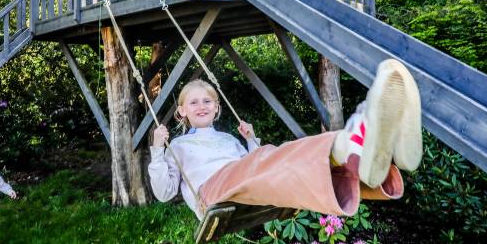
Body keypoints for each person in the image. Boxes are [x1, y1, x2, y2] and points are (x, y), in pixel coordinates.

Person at [148, 58, 422, 221]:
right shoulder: (179, 146)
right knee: (267, 158)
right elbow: (164, 192)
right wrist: (158, 151)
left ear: (217, 107)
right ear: (182, 111)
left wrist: (251, 141)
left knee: (276, 157)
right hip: (211, 192)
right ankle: (349, 142)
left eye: (207, 101)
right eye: (193, 102)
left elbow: (255, 169)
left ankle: (368, 163)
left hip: (240, 183)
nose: (202, 106)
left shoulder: (228, 139)